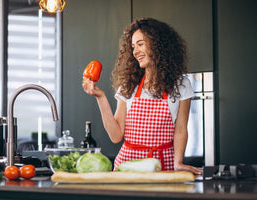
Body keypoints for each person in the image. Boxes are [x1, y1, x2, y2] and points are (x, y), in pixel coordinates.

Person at [82, 18, 202, 175]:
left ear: (158, 44)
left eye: (140, 44)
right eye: (133, 47)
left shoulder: (181, 84)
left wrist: (178, 162)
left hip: (163, 164)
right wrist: (101, 97)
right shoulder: (129, 85)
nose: (135, 51)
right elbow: (116, 136)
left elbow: (180, 129)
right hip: (128, 165)